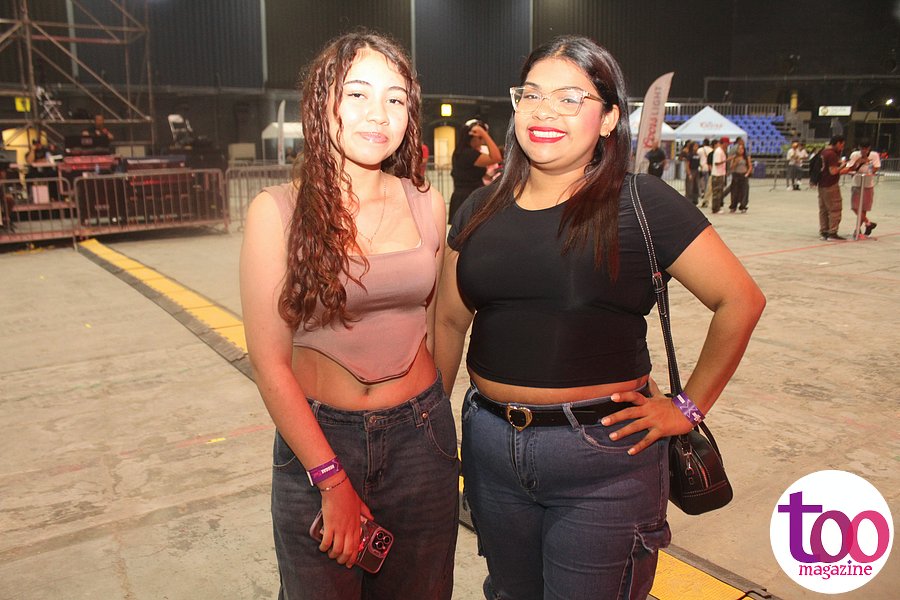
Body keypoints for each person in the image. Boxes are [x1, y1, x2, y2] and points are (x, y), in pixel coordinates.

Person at [435, 35, 765, 600]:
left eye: (570, 98)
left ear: (610, 117)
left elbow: (741, 300)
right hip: (490, 446)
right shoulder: (478, 209)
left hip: (604, 458)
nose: (544, 111)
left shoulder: (642, 203)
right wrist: (434, 432)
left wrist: (686, 408)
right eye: (532, 94)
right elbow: (446, 322)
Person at [240, 32, 459, 600]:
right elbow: (269, 363)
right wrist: (329, 477)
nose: (378, 114)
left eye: (395, 99)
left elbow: (435, 323)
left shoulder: (427, 203)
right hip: (318, 439)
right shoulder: (276, 212)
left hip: (421, 440)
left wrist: (432, 418)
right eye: (357, 94)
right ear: (322, 103)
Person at [448, 118, 502, 221]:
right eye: (480, 138)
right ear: (473, 137)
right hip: (468, 199)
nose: (482, 142)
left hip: (464, 198)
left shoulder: (461, 152)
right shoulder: (469, 154)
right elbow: (497, 157)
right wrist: (485, 134)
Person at [817, 135, 848, 240]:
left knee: (823, 209)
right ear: (838, 143)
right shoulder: (832, 154)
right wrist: (842, 166)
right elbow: (833, 171)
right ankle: (832, 232)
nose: (842, 147)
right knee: (835, 208)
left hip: (821, 184)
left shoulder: (823, 152)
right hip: (830, 185)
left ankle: (824, 231)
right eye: (842, 145)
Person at [848, 138, 880, 237]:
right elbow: (850, 168)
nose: (864, 151)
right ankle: (868, 223)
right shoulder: (854, 155)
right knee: (855, 207)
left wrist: (870, 164)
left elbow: (876, 168)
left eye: (866, 149)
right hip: (857, 183)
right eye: (862, 148)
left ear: (869, 148)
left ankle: (858, 229)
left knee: (864, 208)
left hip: (868, 184)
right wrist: (858, 161)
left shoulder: (874, 155)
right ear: (859, 147)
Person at [727, 142, 752, 213]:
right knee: (734, 191)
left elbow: (750, 166)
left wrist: (747, 173)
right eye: (739, 149)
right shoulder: (735, 157)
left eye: (742, 149)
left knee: (744, 191)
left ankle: (743, 205)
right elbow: (731, 167)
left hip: (743, 175)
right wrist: (736, 162)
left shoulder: (746, 157)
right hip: (736, 175)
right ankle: (733, 206)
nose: (740, 150)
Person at [711, 136, 729, 213]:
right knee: (717, 192)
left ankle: (717, 207)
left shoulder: (721, 151)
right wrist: (726, 160)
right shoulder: (719, 152)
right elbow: (717, 163)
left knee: (719, 192)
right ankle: (715, 208)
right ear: (724, 143)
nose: (727, 145)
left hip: (720, 174)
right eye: (727, 143)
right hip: (717, 174)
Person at [697, 137, 712, 207]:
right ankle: (705, 194)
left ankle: (701, 193)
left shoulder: (700, 150)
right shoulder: (711, 150)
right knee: (707, 183)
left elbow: (697, 158)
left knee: (700, 181)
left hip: (701, 168)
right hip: (708, 168)